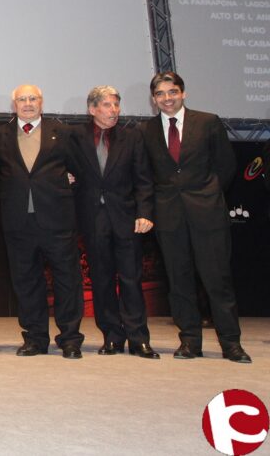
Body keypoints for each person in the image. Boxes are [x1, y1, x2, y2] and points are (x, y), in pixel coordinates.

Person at [140, 71, 250, 363]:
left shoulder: (208, 121)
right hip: (169, 216)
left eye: (172, 92)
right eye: (161, 94)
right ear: (154, 99)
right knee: (179, 281)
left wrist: (208, 193)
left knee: (217, 280)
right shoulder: (145, 130)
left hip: (207, 213)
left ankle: (231, 343)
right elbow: (146, 175)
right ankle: (190, 341)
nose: (167, 98)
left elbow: (226, 165)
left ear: (183, 93)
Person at [0, 84, 84, 359]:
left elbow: (79, 171)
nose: (27, 103)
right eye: (22, 99)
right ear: (14, 105)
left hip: (57, 219)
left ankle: (70, 339)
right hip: (18, 222)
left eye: (32, 98)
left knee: (67, 280)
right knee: (26, 282)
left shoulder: (63, 132)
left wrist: (63, 189)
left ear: (41, 102)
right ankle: (35, 338)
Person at [68, 86, 158, 359]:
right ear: (92, 109)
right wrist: (65, 176)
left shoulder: (132, 137)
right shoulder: (75, 137)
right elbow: (60, 165)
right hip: (92, 218)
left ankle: (138, 338)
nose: (113, 110)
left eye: (116, 105)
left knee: (131, 279)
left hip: (126, 218)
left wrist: (145, 212)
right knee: (102, 280)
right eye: (107, 105)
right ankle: (112, 336)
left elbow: (144, 179)